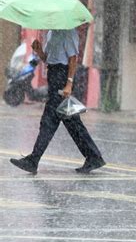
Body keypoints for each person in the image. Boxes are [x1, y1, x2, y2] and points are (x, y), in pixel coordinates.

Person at [10, 29, 105, 174]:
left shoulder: (69, 33)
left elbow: (73, 59)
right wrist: (39, 51)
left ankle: (33, 160)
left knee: (48, 122)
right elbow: (48, 59)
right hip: (53, 75)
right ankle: (94, 156)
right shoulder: (51, 33)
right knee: (72, 123)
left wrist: (69, 84)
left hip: (62, 76)